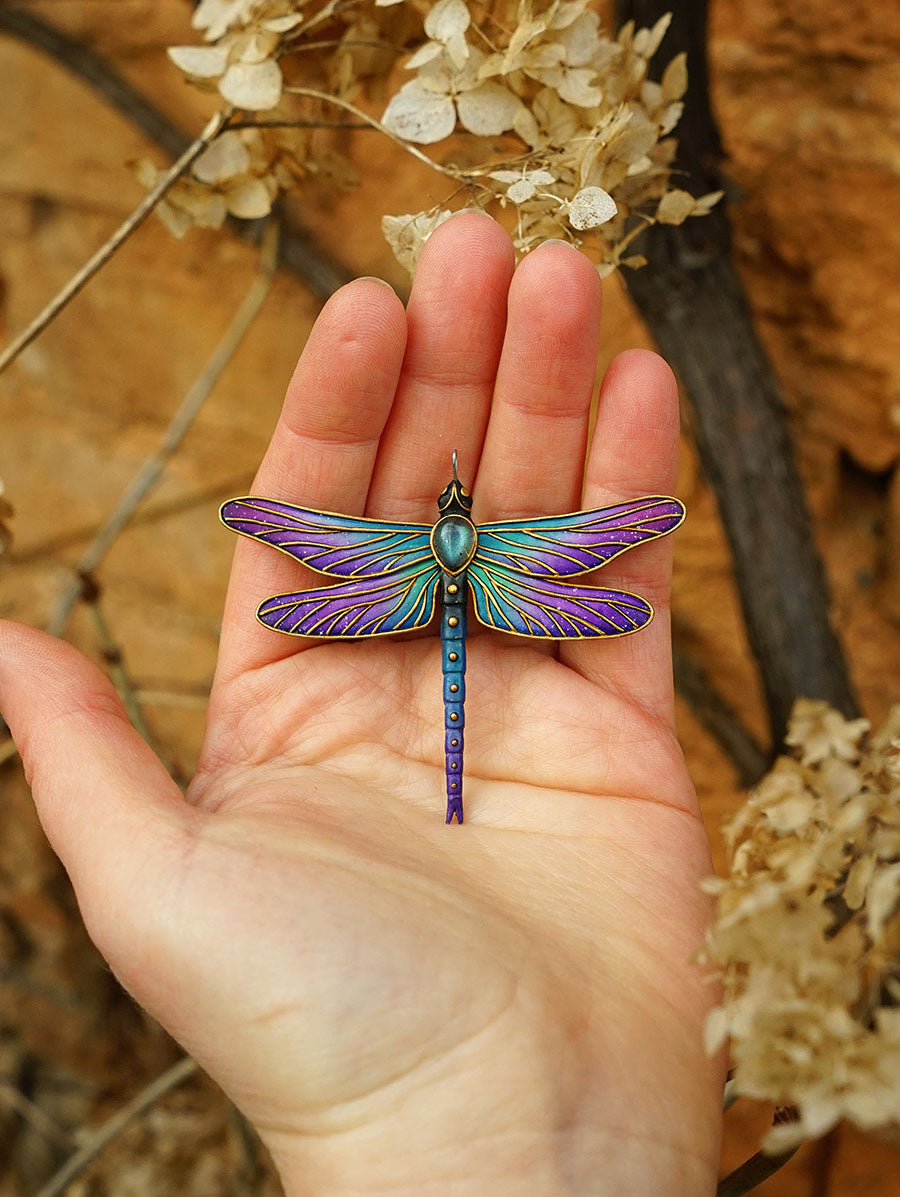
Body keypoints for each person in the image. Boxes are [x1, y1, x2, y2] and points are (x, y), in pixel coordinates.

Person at [0, 214, 723, 1194]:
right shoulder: (507, 554)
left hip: (420, 593)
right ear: (463, 523)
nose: (452, 514)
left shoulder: (409, 553)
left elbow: (278, 532)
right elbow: (624, 538)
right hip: (498, 598)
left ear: (447, 524)